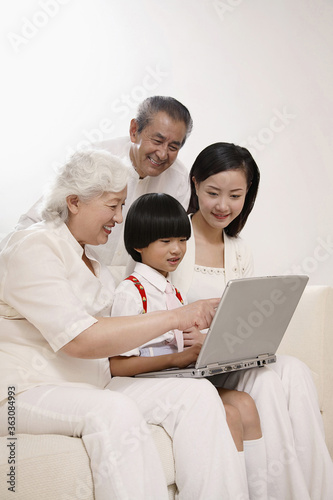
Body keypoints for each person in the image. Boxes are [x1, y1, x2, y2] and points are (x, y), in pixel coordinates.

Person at [0, 149, 251, 500]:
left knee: (195, 395)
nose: (120, 218)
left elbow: (115, 342)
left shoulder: (94, 264)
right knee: (113, 411)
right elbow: (80, 341)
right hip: (23, 392)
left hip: (97, 382)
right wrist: (177, 317)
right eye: (113, 205)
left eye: (122, 206)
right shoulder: (33, 246)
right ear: (74, 202)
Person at [171, 142, 333, 500]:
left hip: (223, 357)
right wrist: (189, 338)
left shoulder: (239, 248)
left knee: (294, 371)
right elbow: (150, 304)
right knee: (264, 382)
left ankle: (318, 492)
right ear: (195, 184)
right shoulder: (170, 236)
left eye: (235, 195)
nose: (222, 206)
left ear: (248, 196)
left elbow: (239, 313)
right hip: (185, 361)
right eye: (213, 192)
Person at [110, 192, 267, 500]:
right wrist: (180, 358)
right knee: (230, 415)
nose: (177, 249)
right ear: (138, 244)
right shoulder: (132, 292)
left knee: (245, 405)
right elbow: (118, 365)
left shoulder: (175, 293)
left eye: (182, 239)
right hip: (140, 383)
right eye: (165, 241)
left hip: (174, 378)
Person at [3, 96, 193, 273]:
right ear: (134, 131)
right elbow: (39, 219)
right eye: (157, 141)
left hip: (132, 288)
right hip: (73, 274)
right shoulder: (94, 158)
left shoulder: (178, 180)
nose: (162, 154)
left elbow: (169, 246)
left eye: (173, 147)